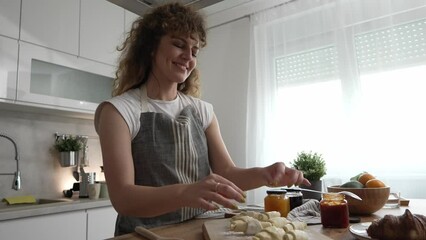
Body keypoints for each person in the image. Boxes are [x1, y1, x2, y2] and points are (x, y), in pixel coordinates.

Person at [94, 2, 310, 236]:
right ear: (150, 47)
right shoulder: (119, 111)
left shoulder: (202, 111)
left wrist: (266, 174)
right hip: (144, 233)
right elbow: (124, 198)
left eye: (194, 51)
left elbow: (226, 172)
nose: (188, 57)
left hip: (199, 230)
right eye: (179, 44)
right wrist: (185, 193)